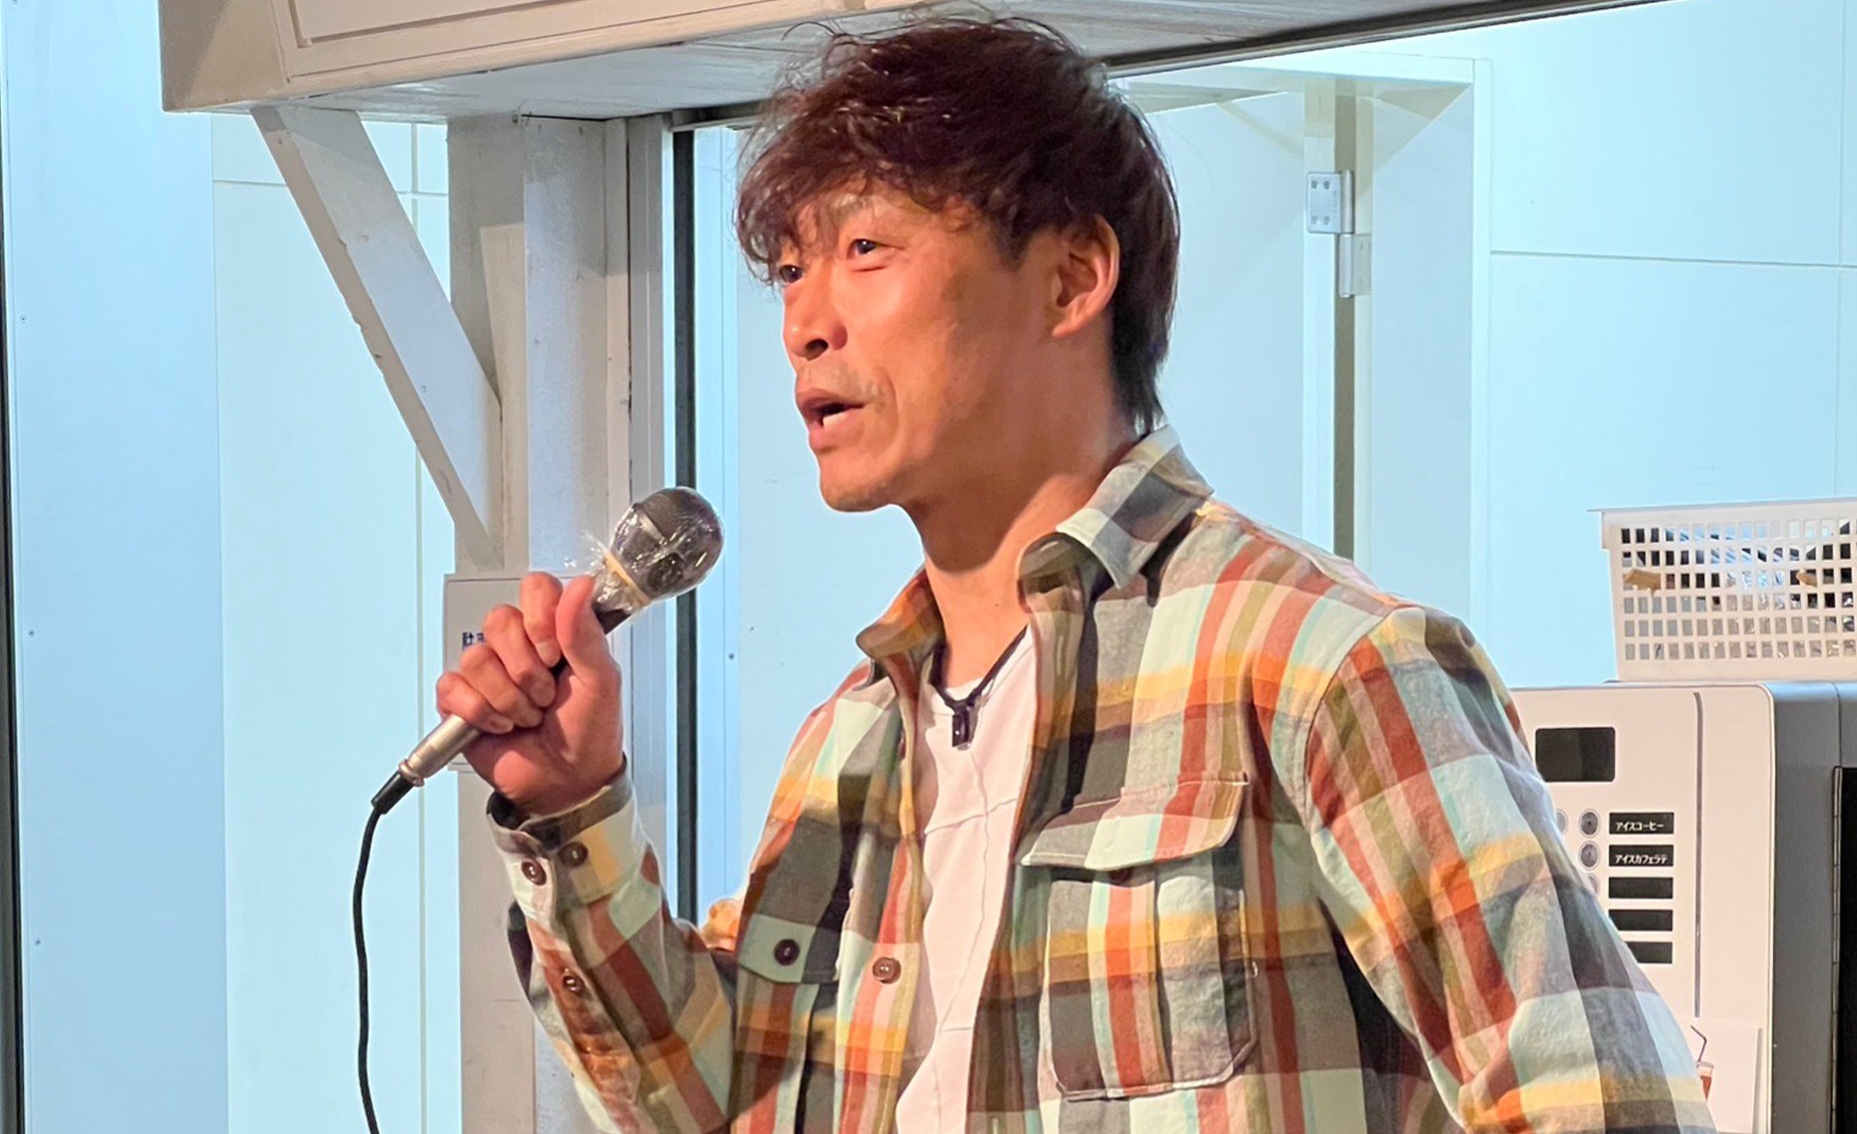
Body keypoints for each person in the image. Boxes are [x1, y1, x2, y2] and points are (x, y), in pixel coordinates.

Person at [436, 18, 1714, 1134]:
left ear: (1070, 278)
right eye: (789, 272)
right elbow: (710, 1097)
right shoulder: (854, 739)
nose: (806, 322)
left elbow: (1599, 1101)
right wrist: (574, 804)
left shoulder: (1321, 666)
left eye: (866, 248)